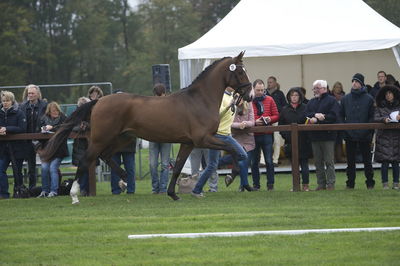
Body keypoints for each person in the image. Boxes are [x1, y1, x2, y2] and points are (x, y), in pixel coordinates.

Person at [192, 86, 248, 197]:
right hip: (219, 135)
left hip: (226, 135)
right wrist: (229, 105)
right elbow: (217, 115)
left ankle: (196, 189)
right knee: (240, 155)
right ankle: (196, 190)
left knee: (214, 164)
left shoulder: (232, 96)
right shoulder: (221, 97)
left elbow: (231, 115)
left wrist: (236, 103)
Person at [340, 73, 375, 190]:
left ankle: (370, 183)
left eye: (357, 81)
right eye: (353, 81)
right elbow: (341, 116)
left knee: (367, 161)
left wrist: (368, 131)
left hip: (365, 135)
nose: (354, 83)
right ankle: (350, 184)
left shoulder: (369, 99)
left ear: (362, 83)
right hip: (350, 135)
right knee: (350, 162)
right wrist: (345, 129)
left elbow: (372, 117)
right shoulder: (345, 99)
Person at [305, 80, 340, 190]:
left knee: (329, 161)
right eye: (314, 88)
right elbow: (306, 114)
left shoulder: (332, 101)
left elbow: (334, 116)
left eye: (317, 88)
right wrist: (315, 115)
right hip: (315, 137)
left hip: (328, 136)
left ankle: (331, 183)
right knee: (318, 162)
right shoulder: (311, 102)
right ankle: (321, 184)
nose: (315, 90)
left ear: (325, 88)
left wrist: (322, 118)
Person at [279, 88, 312, 191]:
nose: (294, 97)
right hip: (290, 142)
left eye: (296, 95)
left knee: (304, 164)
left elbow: (309, 122)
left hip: (304, 141)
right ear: (289, 97)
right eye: (292, 95)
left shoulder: (306, 108)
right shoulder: (284, 110)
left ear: (300, 96)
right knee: (294, 165)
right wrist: (287, 136)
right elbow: (281, 126)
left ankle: (305, 185)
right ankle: (295, 185)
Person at [221, 98, 255, 192]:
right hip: (235, 138)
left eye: (241, 98)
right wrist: (239, 125)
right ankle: (245, 185)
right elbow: (228, 122)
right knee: (241, 160)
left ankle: (242, 184)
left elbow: (252, 121)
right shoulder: (230, 105)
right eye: (237, 98)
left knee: (243, 161)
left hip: (248, 139)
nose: (239, 100)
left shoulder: (249, 104)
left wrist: (245, 123)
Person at [251, 79, 279, 191]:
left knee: (268, 161)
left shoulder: (270, 99)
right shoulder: (249, 101)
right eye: (258, 90)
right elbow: (246, 116)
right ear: (253, 89)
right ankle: (256, 185)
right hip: (254, 135)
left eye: (262, 90)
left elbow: (276, 115)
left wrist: (269, 119)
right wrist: (255, 121)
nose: (260, 92)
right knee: (254, 162)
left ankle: (270, 185)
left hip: (267, 134)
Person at [37, 102, 68, 198]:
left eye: (56, 110)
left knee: (53, 168)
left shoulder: (63, 118)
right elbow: (37, 134)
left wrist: (53, 128)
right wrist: (43, 131)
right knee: (44, 168)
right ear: (49, 112)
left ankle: (54, 191)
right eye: (52, 111)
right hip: (47, 149)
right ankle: (45, 191)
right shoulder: (43, 120)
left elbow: (65, 129)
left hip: (59, 149)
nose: (55, 112)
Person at [19, 84, 47, 189]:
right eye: (29, 93)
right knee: (31, 166)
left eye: (32, 93)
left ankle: (47, 188)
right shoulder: (22, 106)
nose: (30, 95)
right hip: (27, 140)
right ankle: (32, 188)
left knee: (46, 165)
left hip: (42, 139)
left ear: (38, 94)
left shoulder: (44, 105)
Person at [0, 91, 27, 199]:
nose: (5, 103)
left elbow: (22, 128)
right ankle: (4, 193)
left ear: (12, 101)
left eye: (7, 101)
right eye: (3, 101)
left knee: (17, 171)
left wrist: (7, 129)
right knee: (0, 169)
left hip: (17, 147)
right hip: (3, 148)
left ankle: (18, 191)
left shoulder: (19, 113)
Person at [110, 89, 137, 195]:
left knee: (130, 169)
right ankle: (115, 190)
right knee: (115, 169)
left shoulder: (131, 112)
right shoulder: (111, 113)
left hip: (128, 144)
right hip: (114, 145)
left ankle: (131, 190)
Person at [373, 85, 400, 190]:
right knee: (384, 162)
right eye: (387, 94)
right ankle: (385, 183)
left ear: (394, 95)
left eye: (390, 93)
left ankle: (396, 183)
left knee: (396, 162)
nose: (388, 95)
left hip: (396, 137)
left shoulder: (399, 107)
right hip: (384, 137)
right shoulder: (380, 107)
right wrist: (384, 119)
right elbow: (375, 118)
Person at [149, 83, 172, 194]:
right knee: (152, 165)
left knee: (164, 164)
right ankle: (155, 188)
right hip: (153, 137)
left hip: (166, 138)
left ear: (164, 94)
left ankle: (162, 188)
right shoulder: (150, 106)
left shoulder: (170, 106)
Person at [71, 97, 91, 195]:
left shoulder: (92, 114)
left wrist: (87, 126)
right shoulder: (75, 115)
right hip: (79, 146)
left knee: (88, 169)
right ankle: (83, 189)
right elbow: (71, 126)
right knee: (83, 169)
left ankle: (88, 189)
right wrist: (80, 128)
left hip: (90, 145)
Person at [266, 76, 287, 166]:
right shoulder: (264, 93)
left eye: (271, 82)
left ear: (275, 83)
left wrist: (281, 115)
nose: (269, 84)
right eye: (268, 82)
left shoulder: (280, 93)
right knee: (265, 140)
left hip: (276, 119)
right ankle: (263, 161)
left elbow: (284, 106)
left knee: (276, 140)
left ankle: (275, 160)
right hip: (266, 119)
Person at [331, 81, 346, 163]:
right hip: (332, 121)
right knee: (332, 141)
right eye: (337, 87)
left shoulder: (344, 97)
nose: (338, 89)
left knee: (339, 141)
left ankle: (339, 157)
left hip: (341, 121)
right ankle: (332, 158)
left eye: (340, 87)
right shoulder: (330, 97)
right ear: (333, 88)